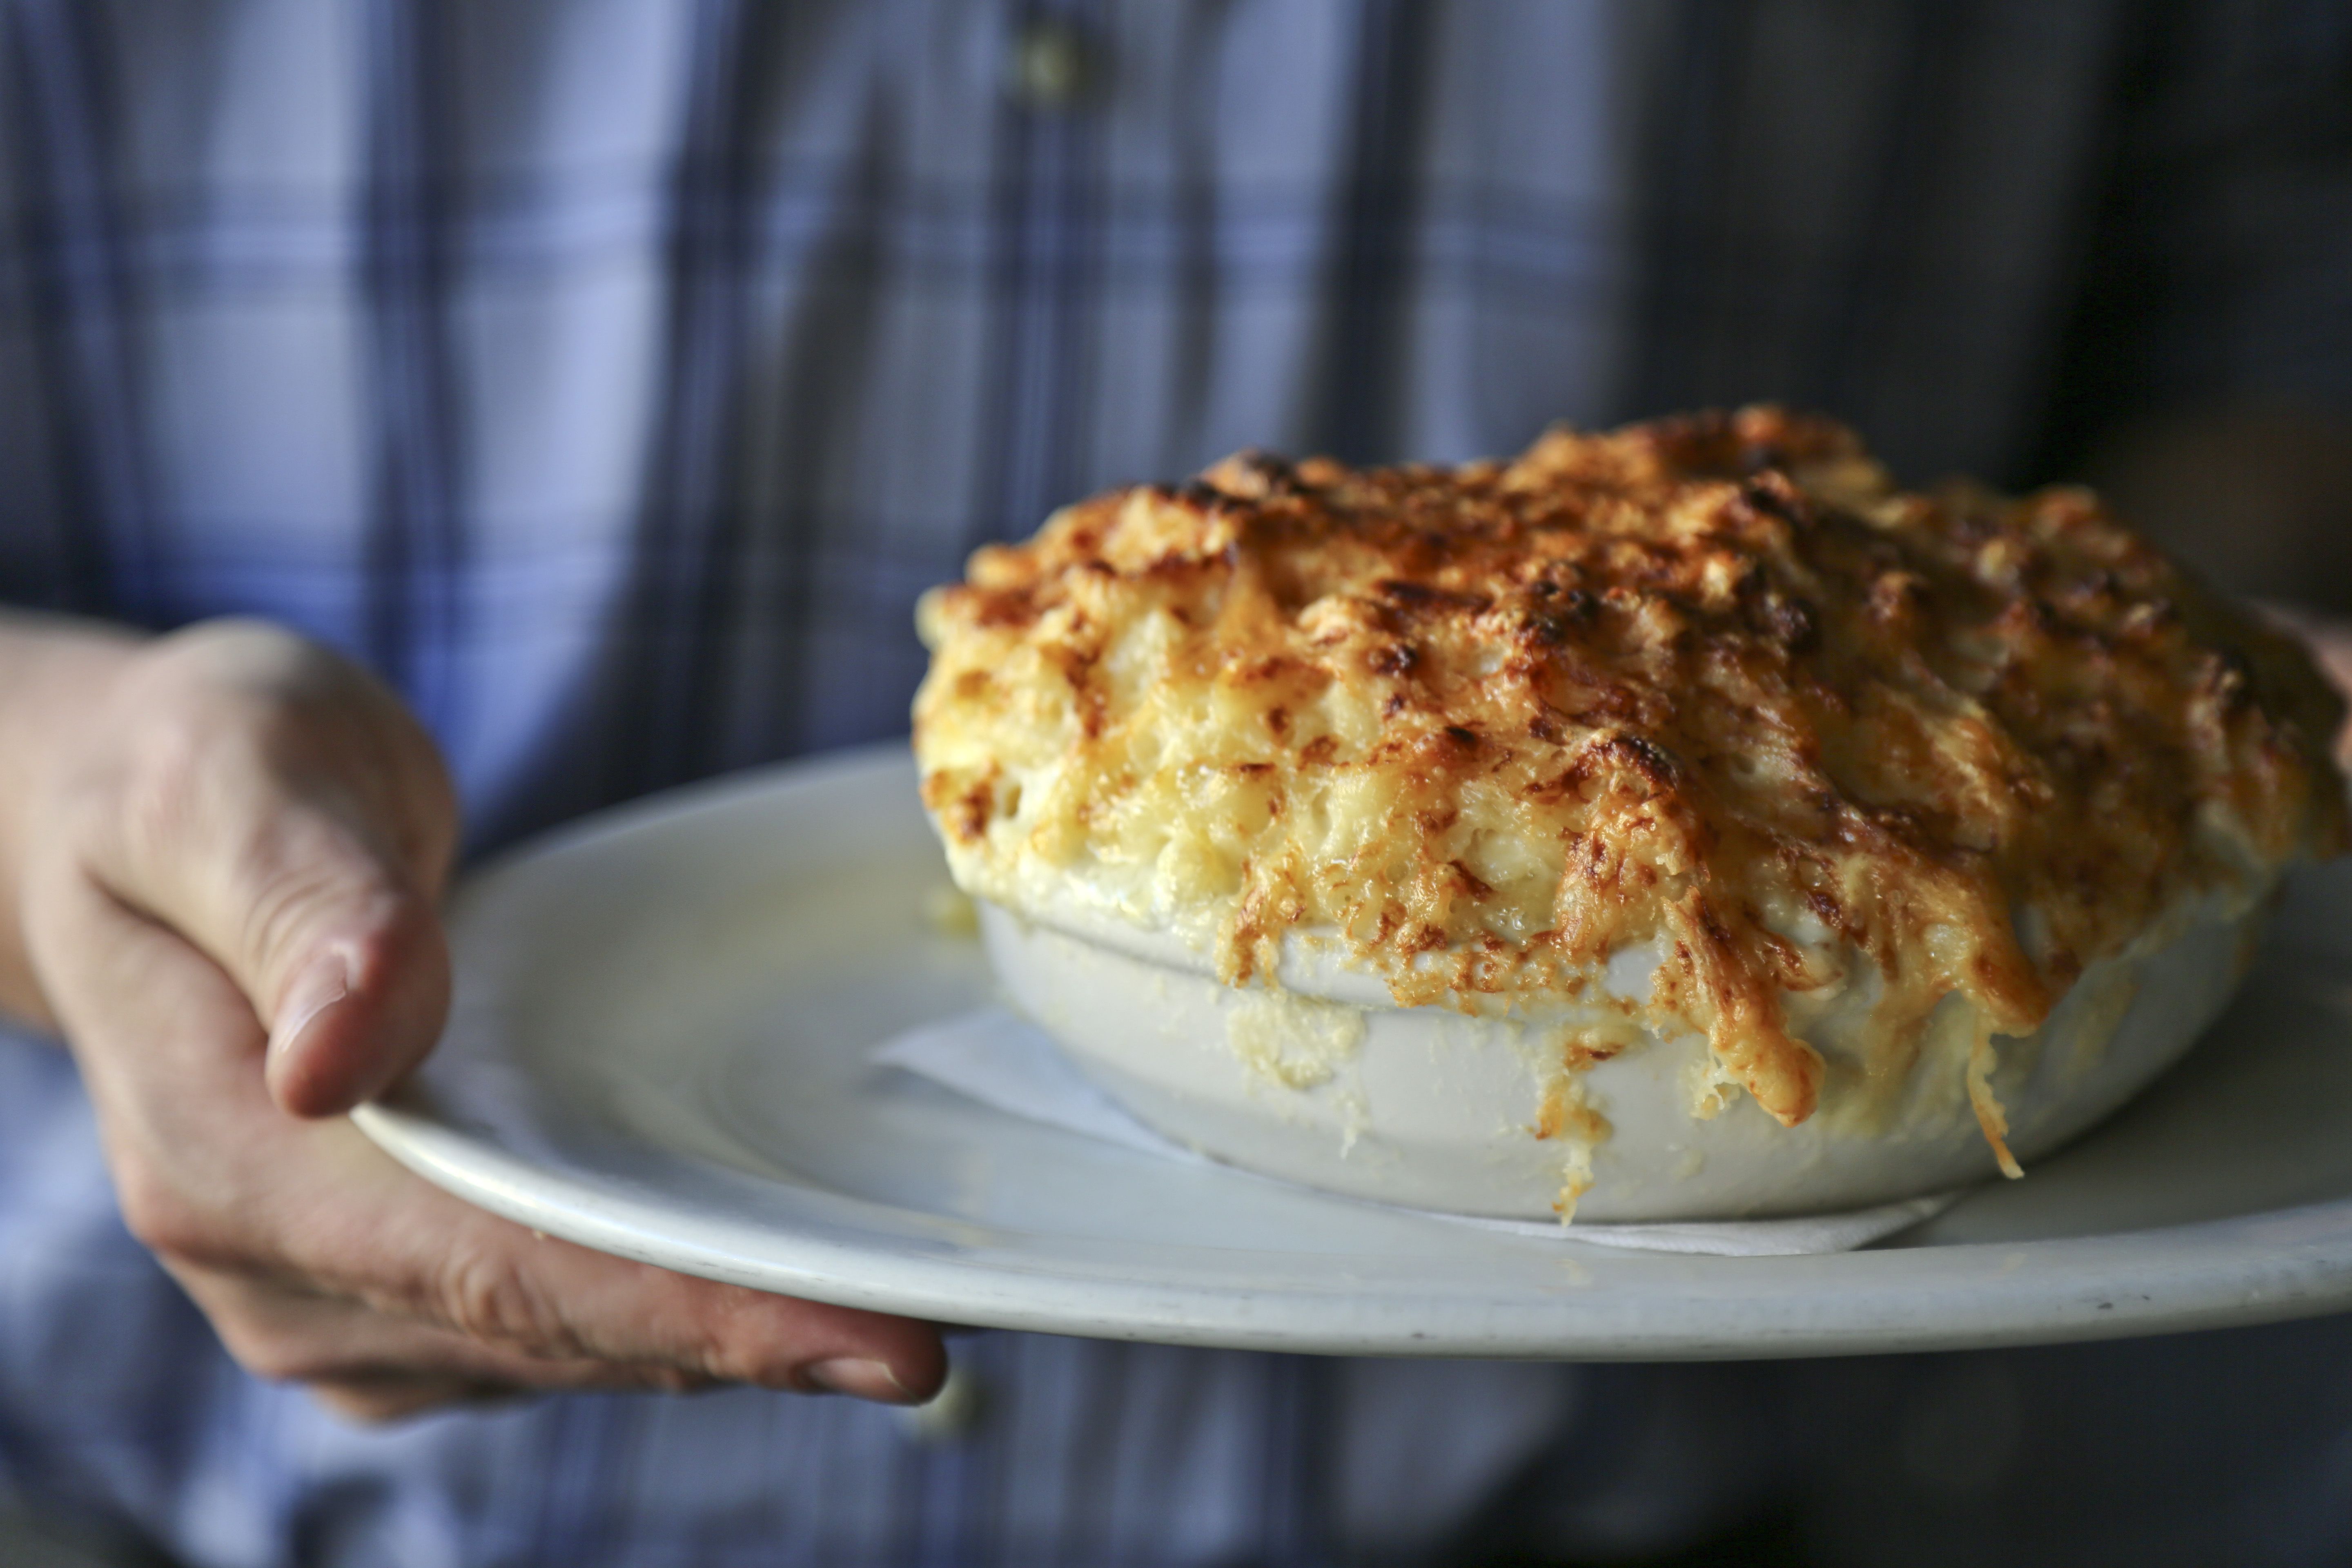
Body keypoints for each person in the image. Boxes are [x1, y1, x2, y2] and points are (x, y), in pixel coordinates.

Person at [1, 4, 2348, 1564]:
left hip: (1700, 1489)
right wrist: (61, 793)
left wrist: (2179, 675)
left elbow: (2261, 259)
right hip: (278, 1487)